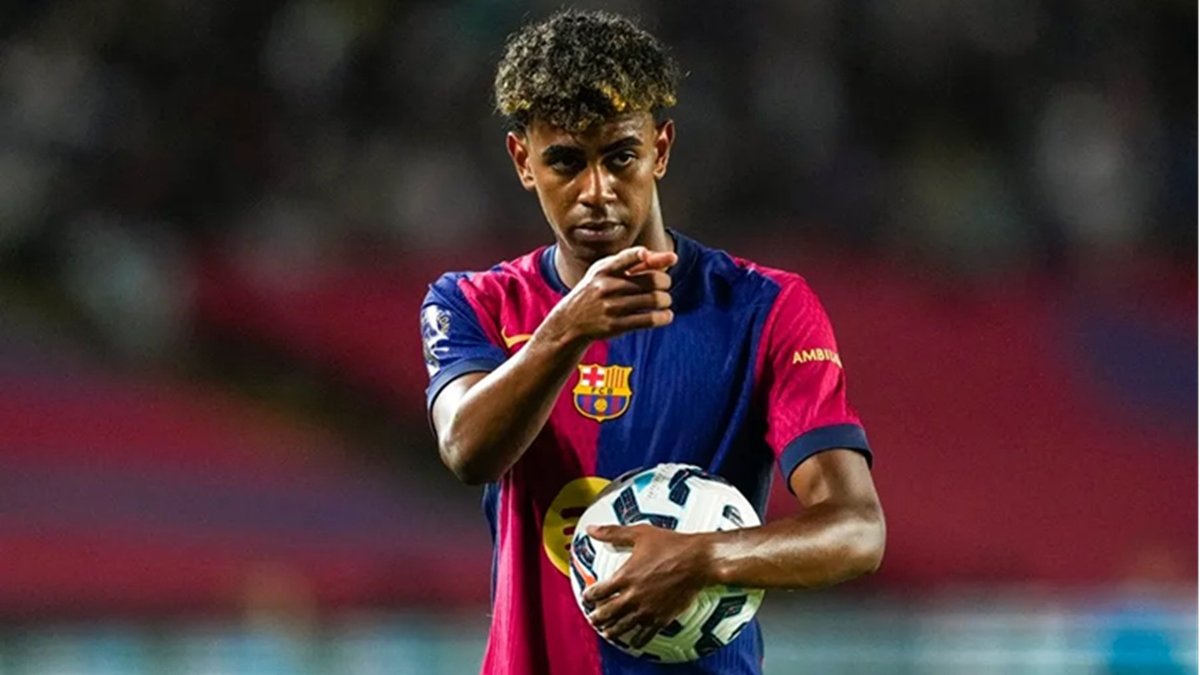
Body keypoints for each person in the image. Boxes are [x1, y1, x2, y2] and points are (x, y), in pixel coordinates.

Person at [420, 10, 884, 674]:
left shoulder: (765, 310)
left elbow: (857, 530)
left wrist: (701, 557)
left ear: (660, 150)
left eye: (620, 156)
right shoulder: (474, 304)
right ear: (523, 161)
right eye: (566, 162)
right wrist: (569, 328)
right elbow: (468, 450)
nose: (597, 191)